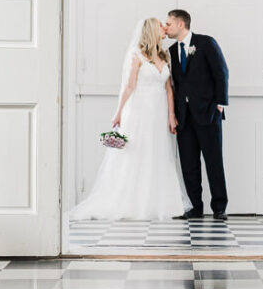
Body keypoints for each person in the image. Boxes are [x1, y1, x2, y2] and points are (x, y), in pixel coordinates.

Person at [69, 17, 190, 221]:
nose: (164, 28)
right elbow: (129, 86)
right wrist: (118, 112)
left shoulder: (164, 55)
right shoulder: (136, 55)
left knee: (158, 153)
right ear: (152, 30)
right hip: (140, 110)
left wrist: (171, 115)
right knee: (137, 153)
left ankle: (159, 202)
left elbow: (169, 90)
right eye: (161, 25)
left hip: (159, 111)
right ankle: (133, 202)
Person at [165, 9, 229, 221]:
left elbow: (221, 72)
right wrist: (173, 114)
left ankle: (219, 207)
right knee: (189, 164)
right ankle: (194, 207)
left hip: (208, 113)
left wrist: (219, 104)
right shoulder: (172, 51)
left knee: (213, 161)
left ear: (180, 24)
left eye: (169, 24)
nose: (167, 28)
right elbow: (176, 83)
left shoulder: (206, 43)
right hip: (185, 117)